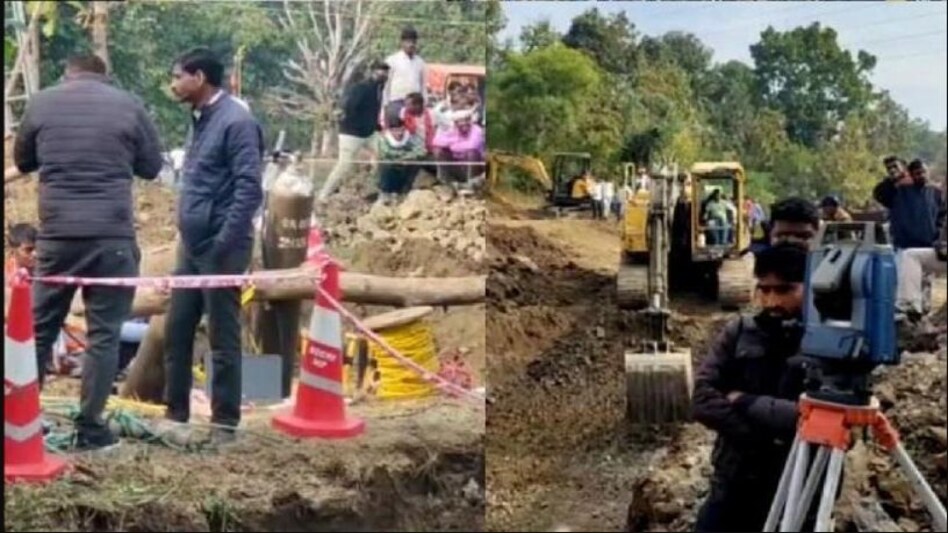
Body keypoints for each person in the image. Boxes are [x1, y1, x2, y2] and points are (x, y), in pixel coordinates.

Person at [12, 54, 163, 451]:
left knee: (38, 331)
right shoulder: (129, 104)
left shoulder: (42, 102)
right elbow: (150, 167)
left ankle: (19, 421)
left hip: (58, 238)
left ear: (68, 74)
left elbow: (24, 160)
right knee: (104, 336)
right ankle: (91, 429)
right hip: (111, 238)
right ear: (104, 76)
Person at [163, 47, 264, 444]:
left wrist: (223, 243)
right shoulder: (200, 119)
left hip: (221, 247)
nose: (173, 84)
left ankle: (224, 422)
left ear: (199, 78)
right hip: (192, 245)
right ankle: (176, 414)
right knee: (177, 328)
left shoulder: (237, 121)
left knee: (222, 335)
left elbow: (249, 189)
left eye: (177, 76)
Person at [692, 243, 815, 532]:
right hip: (735, 479)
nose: (772, 301)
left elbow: (818, 416)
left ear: (810, 289)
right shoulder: (739, 331)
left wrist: (746, 402)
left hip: (798, 485)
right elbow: (702, 399)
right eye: (765, 290)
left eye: (784, 290)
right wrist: (765, 437)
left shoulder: (827, 345)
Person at [319, 61, 389, 201]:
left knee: (385, 156)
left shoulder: (379, 90)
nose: (384, 74)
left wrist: (375, 126)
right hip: (351, 133)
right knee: (345, 165)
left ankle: (381, 192)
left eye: (386, 72)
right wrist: (348, 121)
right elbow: (348, 107)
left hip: (369, 133)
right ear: (373, 72)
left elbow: (372, 110)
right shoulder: (361, 88)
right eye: (380, 71)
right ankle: (324, 195)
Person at [873, 157, 945, 250]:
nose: (922, 175)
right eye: (918, 173)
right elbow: (879, 194)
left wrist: (938, 236)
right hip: (904, 246)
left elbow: (942, 217)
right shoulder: (896, 191)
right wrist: (892, 181)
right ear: (911, 174)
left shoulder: (936, 192)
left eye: (924, 172)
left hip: (930, 245)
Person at [375, 114, 427, 205]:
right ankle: (386, 192)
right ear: (390, 130)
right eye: (395, 130)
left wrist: (407, 158)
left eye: (400, 129)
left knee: (416, 163)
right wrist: (403, 157)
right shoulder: (384, 139)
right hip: (392, 165)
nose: (399, 133)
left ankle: (405, 191)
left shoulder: (410, 137)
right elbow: (386, 152)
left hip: (407, 164)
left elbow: (422, 150)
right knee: (385, 164)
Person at [432, 111, 485, 185]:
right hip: (457, 165)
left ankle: (471, 183)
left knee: (471, 152)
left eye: (467, 120)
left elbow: (472, 145)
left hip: (474, 167)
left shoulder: (477, 130)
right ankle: (445, 180)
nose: (464, 123)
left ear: (470, 120)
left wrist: (452, 145)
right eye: (461, 121)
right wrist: (455, 143)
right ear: (455, 123)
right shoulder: (452, 130)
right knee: (438, 150)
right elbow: (435, 141)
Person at [384, 27, 426, 109]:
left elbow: (423, 86)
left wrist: (424, 103)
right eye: (408, 42)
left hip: (415, 104)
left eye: (413, 42)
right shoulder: (392, 60)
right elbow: (386, 85)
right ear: (402, 43)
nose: (411, 45)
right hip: (396, 103)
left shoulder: (420, 62)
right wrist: (385, 105)